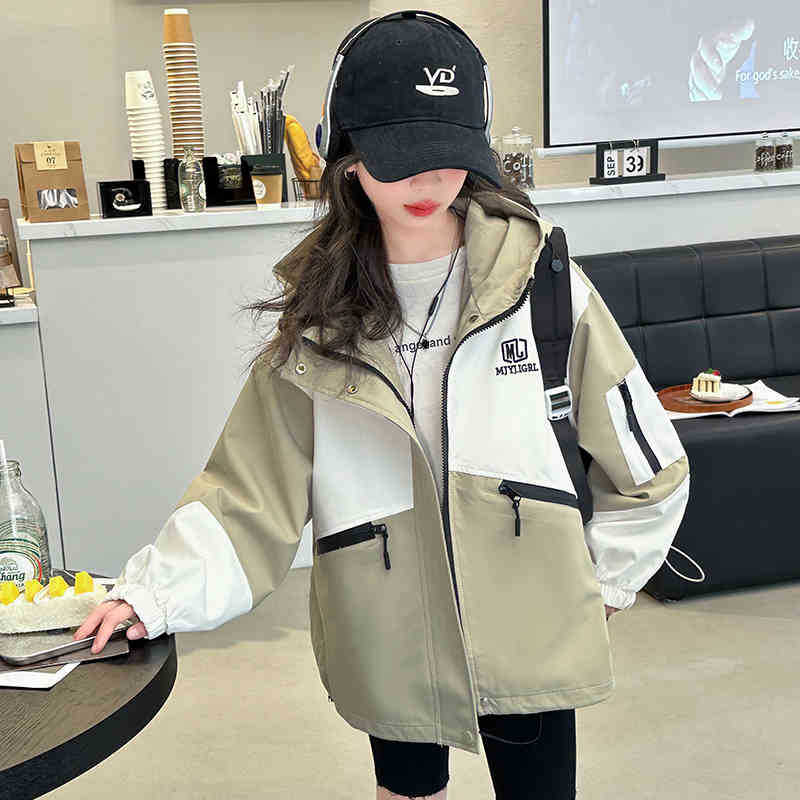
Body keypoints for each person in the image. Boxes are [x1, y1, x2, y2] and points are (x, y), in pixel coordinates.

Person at [75, 10, 690, 800]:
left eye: (448, 155)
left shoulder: (545, 284)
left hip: (530, 619)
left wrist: (603, 585)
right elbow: (245, 497)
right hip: (388, 618)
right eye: (400, 158)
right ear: (349, 158)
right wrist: (153, 594)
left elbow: (649, 463)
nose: (428, 183)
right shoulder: (320, 322)